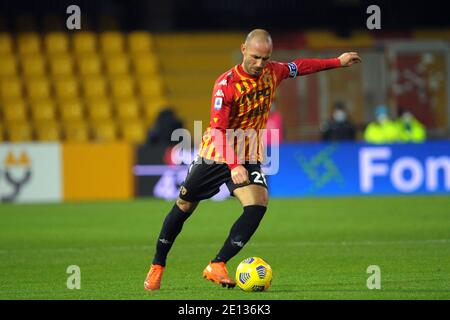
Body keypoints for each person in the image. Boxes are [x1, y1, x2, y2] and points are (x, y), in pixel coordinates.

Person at [144, 29, 361, 290]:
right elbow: (216, 131)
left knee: (258, 203)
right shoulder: (226, 86)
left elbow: (301, 67)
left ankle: (217, 264)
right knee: (184, 206)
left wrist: (337, 62)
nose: (260, 64)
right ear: (243, 49)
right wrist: (233, 165)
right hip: (217, 154)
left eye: (265, 58)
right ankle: (157, 265)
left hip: (248, 152)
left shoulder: (273, 71)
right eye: (256, 57)